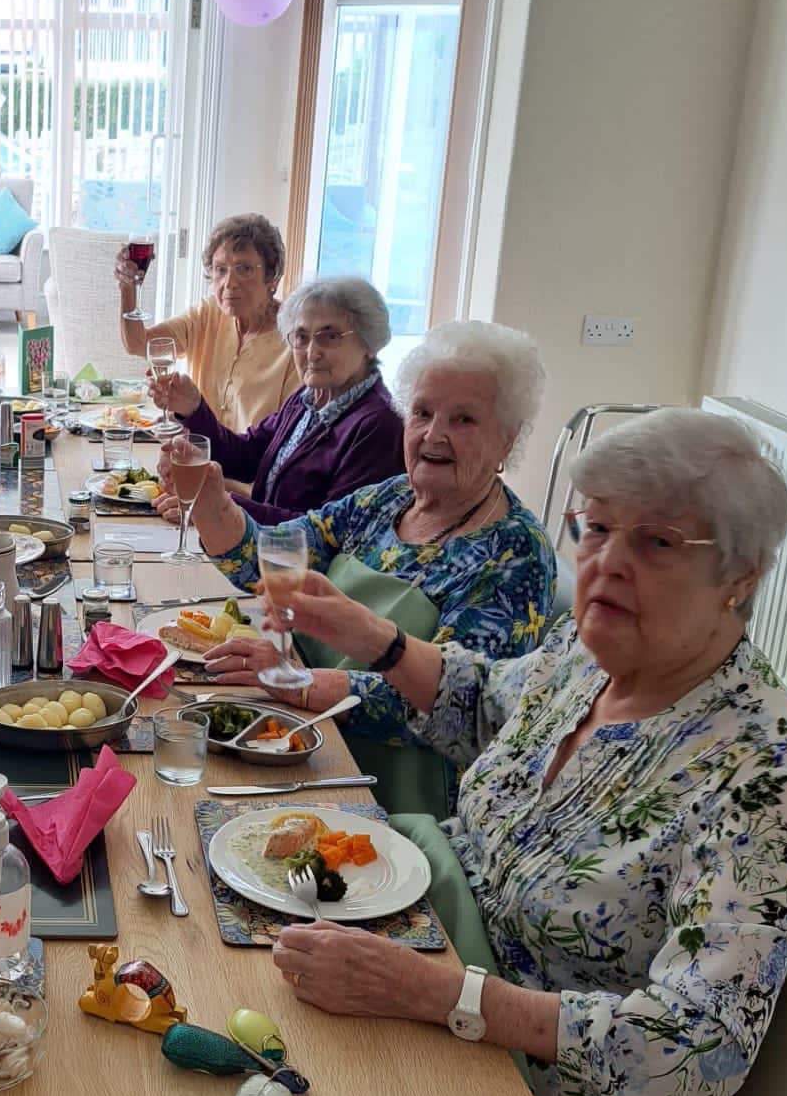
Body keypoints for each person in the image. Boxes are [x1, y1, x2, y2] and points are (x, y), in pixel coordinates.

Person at [103, 409, 787, 1096]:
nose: (606, 562)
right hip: (441, 954)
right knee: (197, 979)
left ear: (745, 576)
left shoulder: (761, 774)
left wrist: (440, 992)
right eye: (593, 528)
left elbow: (691, 1050)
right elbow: (485, 693)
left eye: (658, 542)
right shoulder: (594, 658)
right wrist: (369, 640)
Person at [187, 319, 556, 816]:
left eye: (464, 420)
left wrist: (305, 685)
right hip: (293, 737)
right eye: (422, 412)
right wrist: (213, 506)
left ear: (507, 441)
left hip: (385, 793)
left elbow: (462, 707)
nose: (434, 434)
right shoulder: (389, 498)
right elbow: (283, 559)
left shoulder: (515, 554)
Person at [151, 275, 403, 522]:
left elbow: (331, 532)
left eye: (330, 337)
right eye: (301, 337)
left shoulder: (379, 426)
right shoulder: (308, 399)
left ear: (369, 343)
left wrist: (221, 505)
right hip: (258, 551)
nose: (312, 353)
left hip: (294, 561)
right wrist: (194, 408)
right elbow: (246, 456)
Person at [115, 215, 296, 432]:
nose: (229, 283)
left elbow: (286, 438)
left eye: (244, 269)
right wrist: (128, 287)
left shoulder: (295, 341)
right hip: (193, 457)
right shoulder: (207, 314)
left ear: (272, 277)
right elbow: (138, 344)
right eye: (220, 269)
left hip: (249, 465)